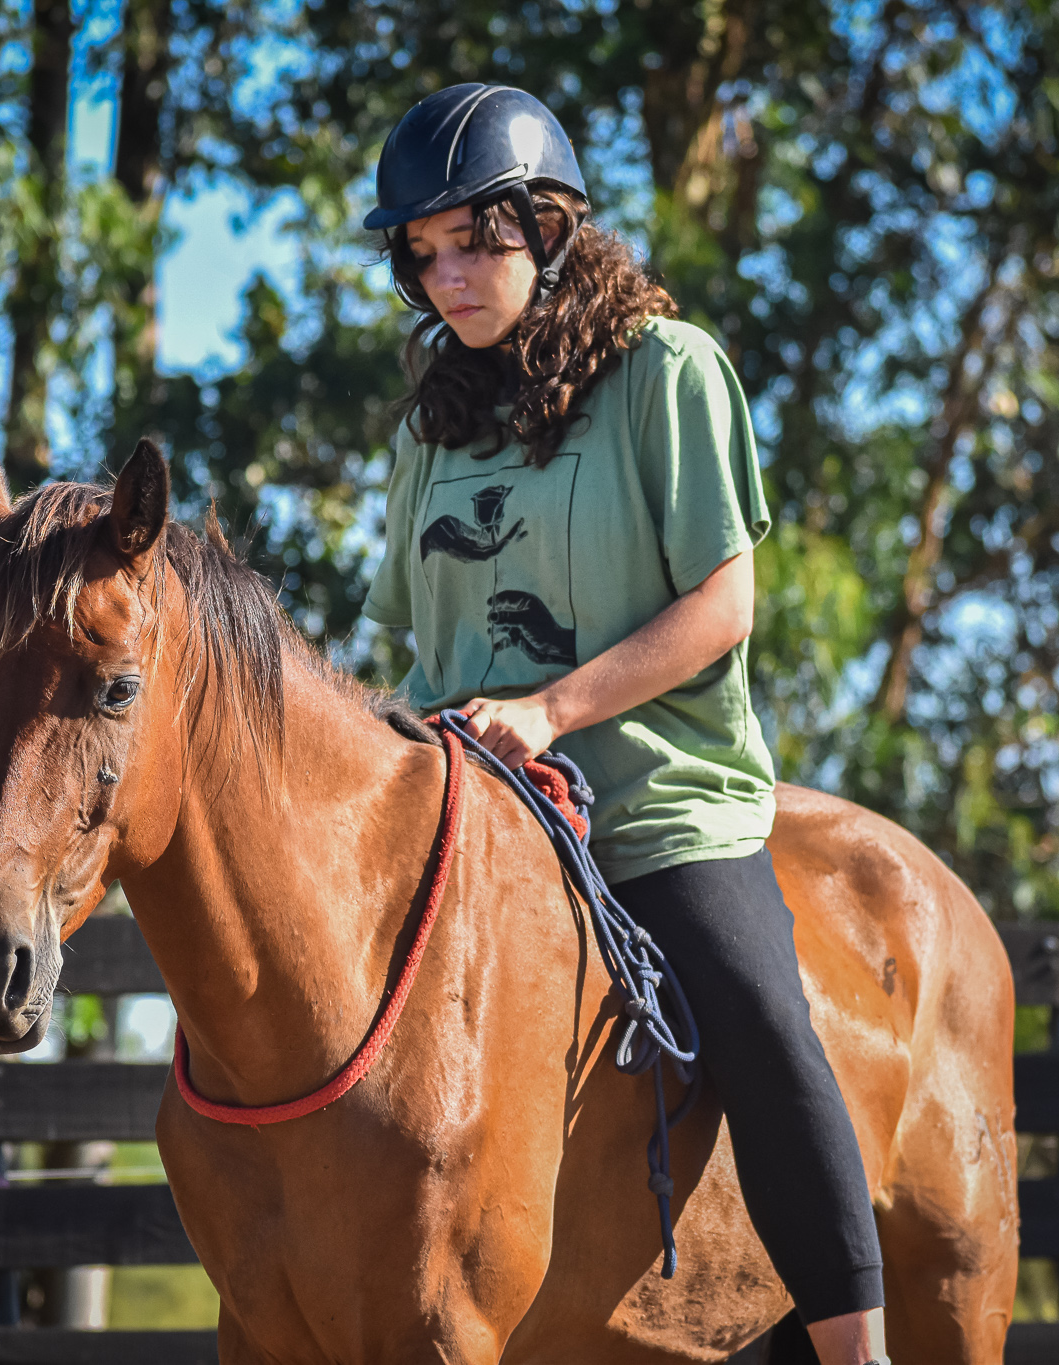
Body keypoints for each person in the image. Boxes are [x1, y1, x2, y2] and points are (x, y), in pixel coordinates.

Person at [358, 83, 890, 1365]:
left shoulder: (666, 370)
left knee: (764, 1022)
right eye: (419, 252)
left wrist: (550, 708)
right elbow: (414, 648)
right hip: (468, 811)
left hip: (653, 800)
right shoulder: (428, 424)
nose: (446, 276)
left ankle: (854, 1350)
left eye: (472, 239)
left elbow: (723, 602)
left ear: (548, 228)